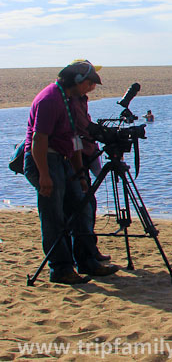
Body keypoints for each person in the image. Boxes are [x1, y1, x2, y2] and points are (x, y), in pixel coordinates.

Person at [23, 61, 120, 284]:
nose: (90, 88)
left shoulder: (68, 100)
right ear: (76, 80)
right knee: (54, 217)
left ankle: (87, 262)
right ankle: (61, 269)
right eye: (89, 83)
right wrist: (44, 175)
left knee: (81, 206)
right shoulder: (50, 99)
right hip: (45, 159)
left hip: (63, 158)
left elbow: (74, 140)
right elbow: (39, 140)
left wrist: (80, 175)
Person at [68, 60, 111, 262]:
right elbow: (76, 133)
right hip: (77, 157)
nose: (93, 86)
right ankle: (86, 255)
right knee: (83, 205)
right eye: (91, 80)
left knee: (89, 204)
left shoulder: (81, 99)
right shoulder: (70, 101)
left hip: (85, 152)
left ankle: (90, 251)